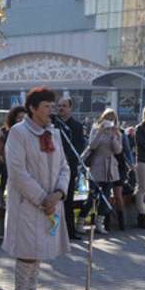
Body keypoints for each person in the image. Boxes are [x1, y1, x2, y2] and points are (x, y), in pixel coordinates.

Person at [2, 87, 70, 290]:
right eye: (47, 107)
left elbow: (65, 166)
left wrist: (59, 193)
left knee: (39, 250)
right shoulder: (19, 133)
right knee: (27, 250)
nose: (52, 111)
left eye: (53, 106)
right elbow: (17, 172)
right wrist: (43, 198)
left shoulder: (54, 133)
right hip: (28, 203)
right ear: (32, 108)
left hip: (52, 202)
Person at [76, 109, 122, 234]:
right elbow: (92, 145)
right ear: (102, 118)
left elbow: (118, 150)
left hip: (110, 168)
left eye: (112, 119)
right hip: (96, 166)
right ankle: (80, 222)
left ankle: (99, 224)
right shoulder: (96, 129)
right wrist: (100, 132)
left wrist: (114, 137)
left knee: (106, 197)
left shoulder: (117, 132)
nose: (110, 121)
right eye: (108, 118)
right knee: (92, 197)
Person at [54, 97, 86, 239]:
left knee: (68, 201)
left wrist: (69, 158)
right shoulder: (53, 123)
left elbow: (79, 147)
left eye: (64, 106)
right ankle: (54, 232)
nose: (61, 108)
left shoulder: (77, 126)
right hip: (53, 167)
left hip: (69, 167)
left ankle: (70, 232)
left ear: (70, 108)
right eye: (59, 106)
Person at [0, 106, 26, 197]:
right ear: (13, 119)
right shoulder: (9, 132)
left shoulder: (29, 133)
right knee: (2, 183)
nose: (21, 120)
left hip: (23, 167)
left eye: (24, 118)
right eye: (19, 118)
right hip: (6, 164)